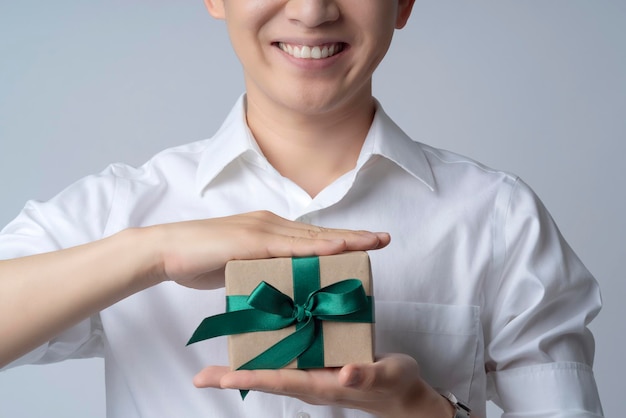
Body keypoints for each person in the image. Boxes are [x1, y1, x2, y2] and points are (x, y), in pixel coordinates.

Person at [0, 0, 604, 417]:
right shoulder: (124, 208)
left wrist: (425, 412)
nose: (312, 10)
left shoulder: (500, 219)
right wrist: (150, 252)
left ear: (404, 1)